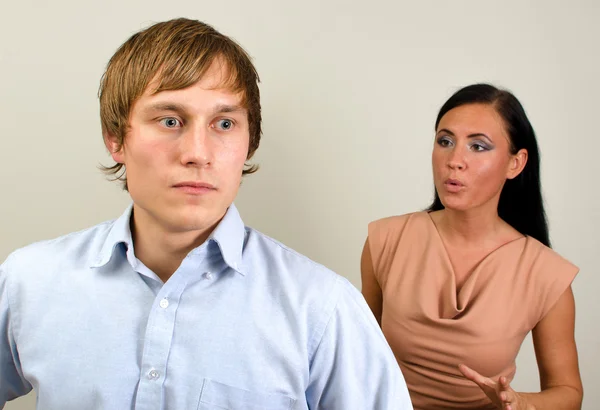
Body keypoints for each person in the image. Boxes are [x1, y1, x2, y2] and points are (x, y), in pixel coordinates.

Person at [0, 18, 413, 410]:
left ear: (249, 143)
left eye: (224, 124)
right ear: (115, 139)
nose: (197, 153)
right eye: (169, 120)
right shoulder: (28, 281)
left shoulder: (322, 309)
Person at [361, 83, 583, 410]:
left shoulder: (547, 276)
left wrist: (521, 404)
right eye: (445, 141)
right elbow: (359, 356)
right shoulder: (388, 240)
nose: (455, 160)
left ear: (516, 163)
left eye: (478, 146)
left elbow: (568, 391)